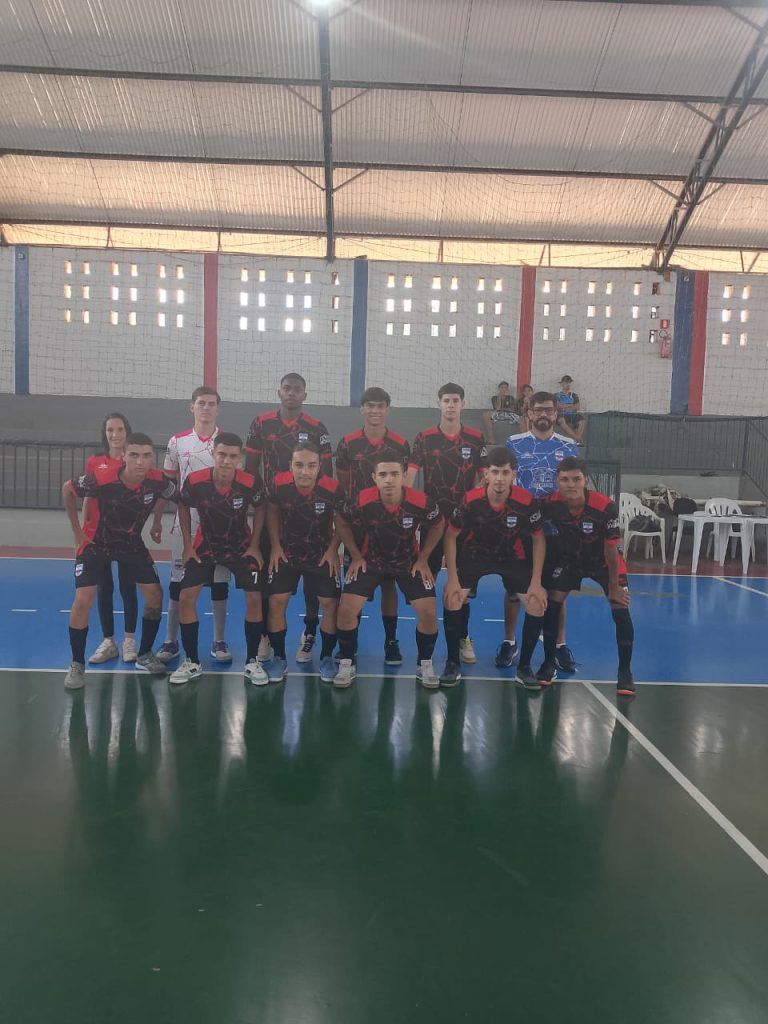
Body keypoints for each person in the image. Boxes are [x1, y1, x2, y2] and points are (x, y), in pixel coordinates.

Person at [62, 433, 176, 689]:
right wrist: (77, 531)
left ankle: (144, 654)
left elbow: (180, 496)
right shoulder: (102, 478)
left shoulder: (158, 480)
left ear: (153, 458)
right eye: (134, 455)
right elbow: (68, 489)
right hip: (96, 545)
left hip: (131, 545)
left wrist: (158, 520)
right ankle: (77, 664)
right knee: (83, 599)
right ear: (123, 456)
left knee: (155, 595)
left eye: (146, 455)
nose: (140, 461)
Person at [516, 457, 635, 697]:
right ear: (557, 481)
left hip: (605, 562)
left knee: (620, 610)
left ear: (585, 481)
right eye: (564, 479)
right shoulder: (549, 503)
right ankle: (549, 663)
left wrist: (614, 586)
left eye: (576, 479)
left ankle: (625, 672)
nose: (570, 484)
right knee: (552, 604)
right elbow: (524, 509)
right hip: (570, 561)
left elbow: (611, 549)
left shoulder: (605, 506)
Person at [333, 455, 445, 689]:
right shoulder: (361, 499)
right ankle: (347, 662)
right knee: (346, 609)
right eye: (383, 475)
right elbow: (341, 521)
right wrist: (355, 555)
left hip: (408, 563)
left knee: (429, 612)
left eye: (394, 474)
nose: (389, 480)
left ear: (404, 476)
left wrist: (423, 559)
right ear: (374, 478)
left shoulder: (420, 501)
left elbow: (438, 524)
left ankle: (424, 664)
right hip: (370, 562)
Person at [245, 372, 333, 664]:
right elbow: (251, 468)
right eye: (287, 388)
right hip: (274, 511)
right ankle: (266, 637)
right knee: (271, 577)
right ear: (279, 392)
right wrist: (261, 501)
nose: (291, 393)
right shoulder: (261, 423)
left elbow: (327, 475)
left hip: (310, 515)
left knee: (312, 580)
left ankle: (309, 633)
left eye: (297, 389)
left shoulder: (317, 428)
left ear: (304, 395)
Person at [440, 447, 547, 686]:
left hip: (512, 557)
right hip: (475, 555)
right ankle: (452, 663)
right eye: (495, 472)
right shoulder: (470, 500)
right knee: (452, 598)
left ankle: (525, 667)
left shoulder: (526, 501)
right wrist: (452, 579)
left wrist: (536, 582)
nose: (499, 478)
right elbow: (450, 536)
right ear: (486, 474)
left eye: (505, 473)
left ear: (513, 475)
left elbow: (539, 539)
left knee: (536, 603)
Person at [169, 433, 268, 686]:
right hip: (206, 547)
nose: (226, 461)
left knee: (254, 597)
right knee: (186, 597)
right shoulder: (195, 481)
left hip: (241, 548)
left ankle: (252, 661)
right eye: (222, 454)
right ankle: (192, 661)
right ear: (213, 452)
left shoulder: (250, 482)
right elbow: (182, 505)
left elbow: (261, 508)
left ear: (239, 458)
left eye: (233, 456)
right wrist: (188, 545)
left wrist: (255, 545)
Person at [406, 382, 486, 666]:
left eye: (455, 400)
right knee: (426, 583)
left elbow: (483, 480)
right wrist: (407, 505)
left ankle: (463, 637)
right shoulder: (424, 438)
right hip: (432, 524)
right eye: (446, 400)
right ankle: (427, 649)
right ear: (438, 403)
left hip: (464, 526)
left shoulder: (476, 439)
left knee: (461, 588)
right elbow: (410, 476)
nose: (451, 405)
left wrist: (472, 511)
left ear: (463, 404)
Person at [151, 386, 232, 664]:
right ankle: (170, 641)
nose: (206, 408)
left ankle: (219, 641)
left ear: (218, 408)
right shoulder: (177, 442)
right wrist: (157, 518)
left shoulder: (226, 442)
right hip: (184, 525)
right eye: (201, 403)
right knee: (178, 585)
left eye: (211, 403)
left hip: (220, 528)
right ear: (192, 407)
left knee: (219, 585)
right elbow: (167, 484)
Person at [499, 392, 579, 671]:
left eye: (548, 410)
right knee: (513, 590)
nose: (543, 414)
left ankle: (559, 645)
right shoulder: (514, 443)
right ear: (529, 414)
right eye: (538, 410)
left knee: (557, 591)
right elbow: (506, 482)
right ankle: (509, 641)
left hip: (556, 531)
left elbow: (574, 487)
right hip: (520, 530)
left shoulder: (569, 446)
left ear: (556, 414)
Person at [335, 386, 411, 665]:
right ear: (362, 409)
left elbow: (404, 484)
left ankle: (391, 641)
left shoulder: (400, 444)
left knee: (389, 585)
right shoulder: (347, 443)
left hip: (391, 526)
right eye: (370, 406)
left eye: (380, 406)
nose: (375, 411)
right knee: (354, 583)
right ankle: (350, 644)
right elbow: (343, 484)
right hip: (358, 526)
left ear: (387, 409)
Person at [266, 442, 342, 684]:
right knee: (277, 601)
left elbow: (342, 520)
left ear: (319, 467)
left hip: (321, 554)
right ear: (290, 465)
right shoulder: (278, 484)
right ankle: (279, 657)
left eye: (311, 466)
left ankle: (327, 657)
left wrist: (333, 550)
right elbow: (271, 512)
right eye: (299, 465)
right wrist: (275, 546)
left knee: (330, 604)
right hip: (287, 554)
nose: (304, 471)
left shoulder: (332, 488)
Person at [82, 412, 140, 665]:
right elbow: (88, 497)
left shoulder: (134, 461)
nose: (115, 435)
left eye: (119, 429)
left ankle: (129, 640)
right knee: (104, 588)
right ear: (104, 433)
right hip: (99, 537)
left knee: (128, 587)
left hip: (126, 537)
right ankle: (109, 642)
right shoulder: (95, 462)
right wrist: (83, 532)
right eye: (110, 430)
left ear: (127, 432)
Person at [555, 375, 585, 444]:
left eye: (569, 382)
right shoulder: (557, 395)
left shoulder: (574, 395)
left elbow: (577, 407)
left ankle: (576, 439)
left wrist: (564, 406)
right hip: (561, 414)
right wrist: (571, 405)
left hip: (573, 414)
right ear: (562, 384)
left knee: (582, 421)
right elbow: (558, 406)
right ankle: (577, 438)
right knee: (561, 420)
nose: (568, 384)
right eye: (566, 382)